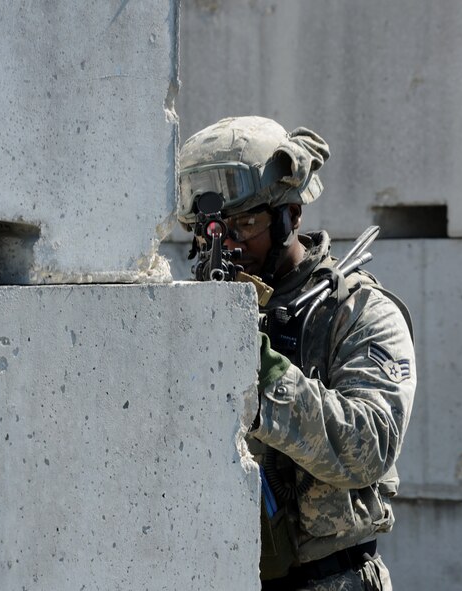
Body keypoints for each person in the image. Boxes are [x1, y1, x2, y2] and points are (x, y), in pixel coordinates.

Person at [177, 116, 416, 590]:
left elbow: (369, 446)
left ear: (292, 215)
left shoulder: (356, 311)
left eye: (247, 222)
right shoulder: (192, 317)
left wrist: (263, 372)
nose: (229, 242)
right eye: (213, 229)